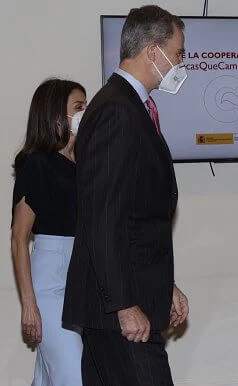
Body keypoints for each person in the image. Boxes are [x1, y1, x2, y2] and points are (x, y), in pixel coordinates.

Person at [62, 5, 189, 385]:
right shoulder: (117, 110)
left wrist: (164, 284)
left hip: (130, 296)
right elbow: (103, 218)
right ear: (154, 51)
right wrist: (124, 304)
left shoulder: (130, 106)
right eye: (179, 53)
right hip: (118, 310)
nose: (181, 63)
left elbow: (133, 217)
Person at [11, 78, 87, 385]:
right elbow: (18, 238)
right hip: (51, 282)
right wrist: (30, 305)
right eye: (79, 107)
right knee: (74, 375)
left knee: (48, 377)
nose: (87, 112)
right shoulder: (38, 165)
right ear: (56, 116)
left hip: (83, 280)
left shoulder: (87, 164)